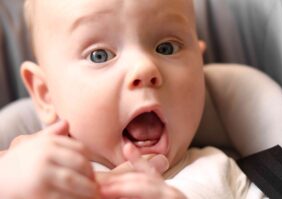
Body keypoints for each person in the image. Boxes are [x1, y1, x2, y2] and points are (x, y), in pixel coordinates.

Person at [0, 0, 266, 198]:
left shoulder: (221, 172)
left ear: (200, 63)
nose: (144, 68)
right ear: (45, 93)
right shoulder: (39, 178)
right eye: (99, 55)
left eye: (166, 48)